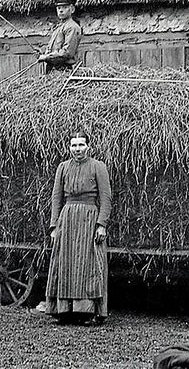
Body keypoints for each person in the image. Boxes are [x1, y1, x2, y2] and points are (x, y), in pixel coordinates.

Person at [45, 130, 112, 324]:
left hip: (89, 218)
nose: (77, 149)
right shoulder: (63, 167)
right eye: (74, 145)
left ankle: (89, 312)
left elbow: (106, 198)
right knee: (65, 263)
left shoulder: (97, 167)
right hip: (67, 219)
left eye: (81, 145)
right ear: (69, 147)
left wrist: (101, 225)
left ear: (88, 147)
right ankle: (65, 312)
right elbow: (56, 197)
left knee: (90, 264)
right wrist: (54, 226)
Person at [38, 0, 83, 72]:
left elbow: (67, 53)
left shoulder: (72, 27)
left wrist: (46, 57)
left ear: (72, 9)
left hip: (63, 70)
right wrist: (42, 53)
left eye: (64, 7)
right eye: (58, 8)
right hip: (52, 70)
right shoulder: (58, 27)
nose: (61, 11)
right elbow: (55, 49)